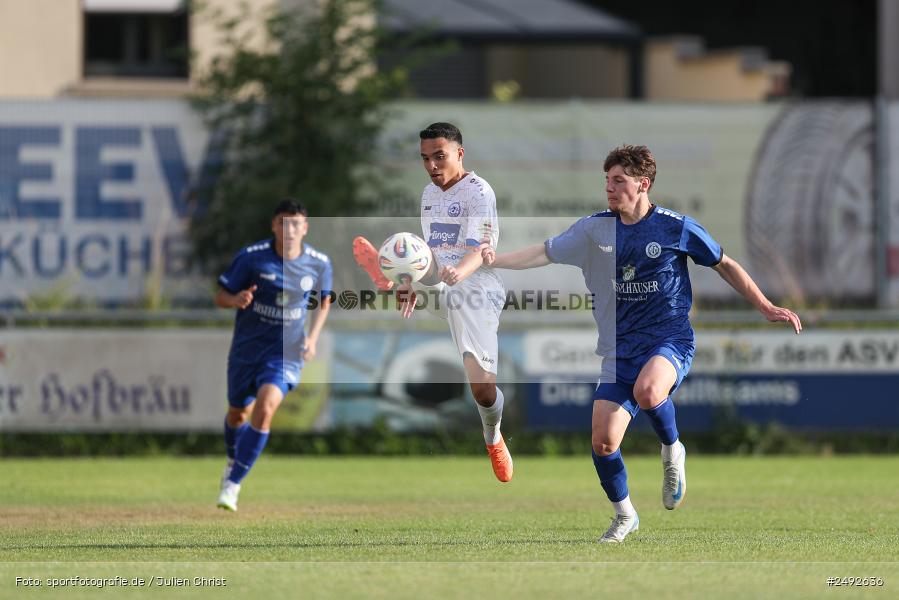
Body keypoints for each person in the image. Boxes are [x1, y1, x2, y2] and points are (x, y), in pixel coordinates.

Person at [482, 144, 802, 541]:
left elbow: (725, 264)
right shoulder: (594, 229)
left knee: (649, 391)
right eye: (607, 181)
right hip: (618, 350)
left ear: (643, 184)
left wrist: (766, 306)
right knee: (602, 442)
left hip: (669, 339)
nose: (610, 189)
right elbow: (543, 253)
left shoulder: (675, 227)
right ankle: (625, 515)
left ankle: (672, 450)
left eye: (619, 181)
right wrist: (493, 260)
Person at [353, 122, 512, 482]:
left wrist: (459, 271)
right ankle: (396, 277)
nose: (432, 166)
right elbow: (434, 256)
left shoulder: (479, 193)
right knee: (411, 251)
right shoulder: (429, 194)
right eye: (425, 159)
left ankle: (493, 437)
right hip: (443, 283)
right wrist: (416, 278)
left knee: (483, 391)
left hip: (478, 288)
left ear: (459, 153)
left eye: (439, 156)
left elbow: (479, 251)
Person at [215, 199, 332, 511]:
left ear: (305, 228)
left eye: (296, 223)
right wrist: (236, 299)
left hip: (285, 354)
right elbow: (220, 296)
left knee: (265, 409)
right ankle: (232, 459)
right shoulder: (252, 258)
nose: (289, 230)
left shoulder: (319, 263)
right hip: (246, 351)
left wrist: (313, 337)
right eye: (283, 222)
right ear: (273, 226)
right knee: (237, 414)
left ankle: (232, 485)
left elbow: (324, 300)